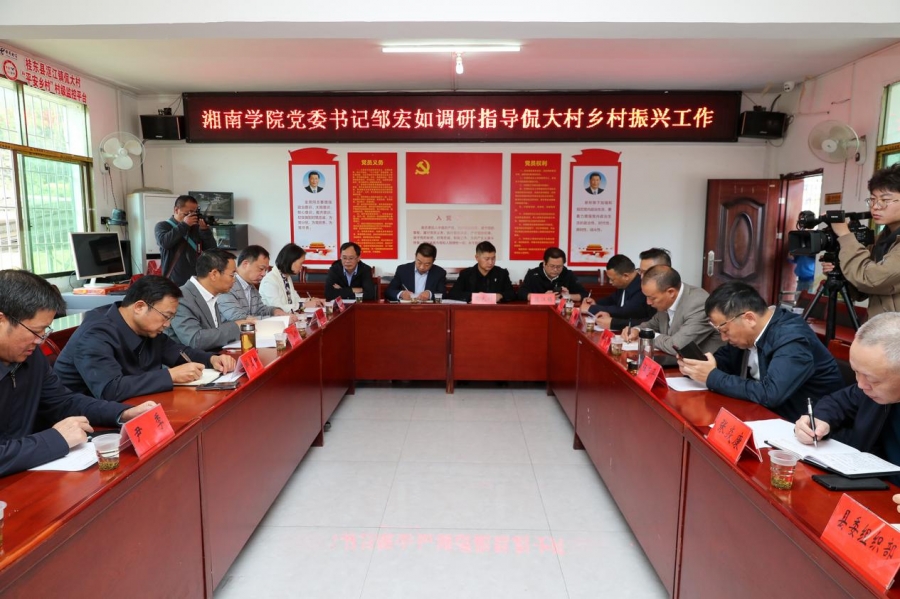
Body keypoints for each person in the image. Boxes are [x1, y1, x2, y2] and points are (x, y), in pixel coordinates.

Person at [0, 269, 155, 476]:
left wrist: (121, 413)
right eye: (35, 331)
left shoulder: (31, 356)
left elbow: (63, 402)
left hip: (25, 472)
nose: (41, 341)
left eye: (45, 331)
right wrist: (56, 439)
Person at [54, 275, 236, 402]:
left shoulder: (148, 329)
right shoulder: (95, 334)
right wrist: (170, 375)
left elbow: (177, 352)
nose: (167, 324)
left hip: (134, 406)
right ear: (139, 307)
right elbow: (111, 389)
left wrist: (212, 359)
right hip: (85, 422)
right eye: (166, 316)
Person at [679, 281, 843, 421]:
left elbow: (771, 394)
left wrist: (712, 376)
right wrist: (697, 367)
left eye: (725, 330)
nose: (723, 338)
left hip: (806, 426)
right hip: (765, 416)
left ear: (749, 318)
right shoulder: (746, 335)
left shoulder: (792, 339)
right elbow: (725, 362)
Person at [794, 312, 900, 485]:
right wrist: (819, 420)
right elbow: (838, 402)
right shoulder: (867, 388)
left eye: (872, 379)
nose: (861, 384)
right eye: (856, 372)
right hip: (872, 483)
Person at [826, 164, 900, 318]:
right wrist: (841, 270)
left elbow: (870, 279)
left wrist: (845, 235)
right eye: (872, 199)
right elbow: (861, 292)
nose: (875, 207)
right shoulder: (882, 239)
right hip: (880, 327)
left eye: (885, 200)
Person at [623, 265, 723, 355]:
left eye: (652, 298)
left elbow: (676, 346)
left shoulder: (699, 304)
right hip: (676, 362)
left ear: (671, 292)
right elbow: (652, 324)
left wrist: (648, 335)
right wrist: (636, 330)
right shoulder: (665, 301)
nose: (648, 302)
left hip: (705, 366)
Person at [167, 249, 256, 350]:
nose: (234, 280)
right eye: (232, 275)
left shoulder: (212, 294)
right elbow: (195, 340)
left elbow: (214, 333)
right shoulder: (182, 298)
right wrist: (235, 327)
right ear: (214, 274)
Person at [218, 245, 298, 323]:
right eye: (261, 269)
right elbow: (239, 318)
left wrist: (275, 311)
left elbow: (259, 310)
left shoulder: (251, 286)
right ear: (245, 264)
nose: (264, 274)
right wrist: (278, 320)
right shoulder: (227, 286)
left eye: (265, 270)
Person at [155, 195, 218, 287]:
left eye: (194, 213)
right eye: (187, 214)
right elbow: (165, 243)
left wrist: (205, 231)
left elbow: (212, 251)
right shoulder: (162, 226)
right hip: (174, 282)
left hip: (196, 281)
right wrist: (184, 225)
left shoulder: (196, 228)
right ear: (176, 210)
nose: (191, 216)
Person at [580, 254, 653, 330]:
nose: (610, 282)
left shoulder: (641, 287)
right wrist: (596, 303)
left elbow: (625, 311)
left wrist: (592, 308)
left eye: (612, 279)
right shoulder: (624, 285)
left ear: (625, 276)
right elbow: (611, 299)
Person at [259, 243, 325, 313]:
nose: (302, 267)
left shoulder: (286, 277)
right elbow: (278, 308)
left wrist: (310, 300)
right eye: (301, 263)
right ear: (291, 261)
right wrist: (305, 305)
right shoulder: (269, 280)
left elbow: (296, 300)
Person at [447, 241, 516, 303]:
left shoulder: (502, 273)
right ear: (477, 257)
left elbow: (512, 294)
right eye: (487, 259)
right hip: (472, 310)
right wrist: (474, 296)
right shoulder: (466, 274)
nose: (490, 262)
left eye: (493, 258)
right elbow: (453, 294)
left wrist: (500, 296)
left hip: (495, 310)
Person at [517, 247, 587, 302]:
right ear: (544, 263)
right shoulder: (533, 274)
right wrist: (543, 297)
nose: (555, 270)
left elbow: (585, 295)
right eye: (552, 266)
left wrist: (568, 296)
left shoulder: (568, 274)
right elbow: (521, 294)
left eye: (559, 266)